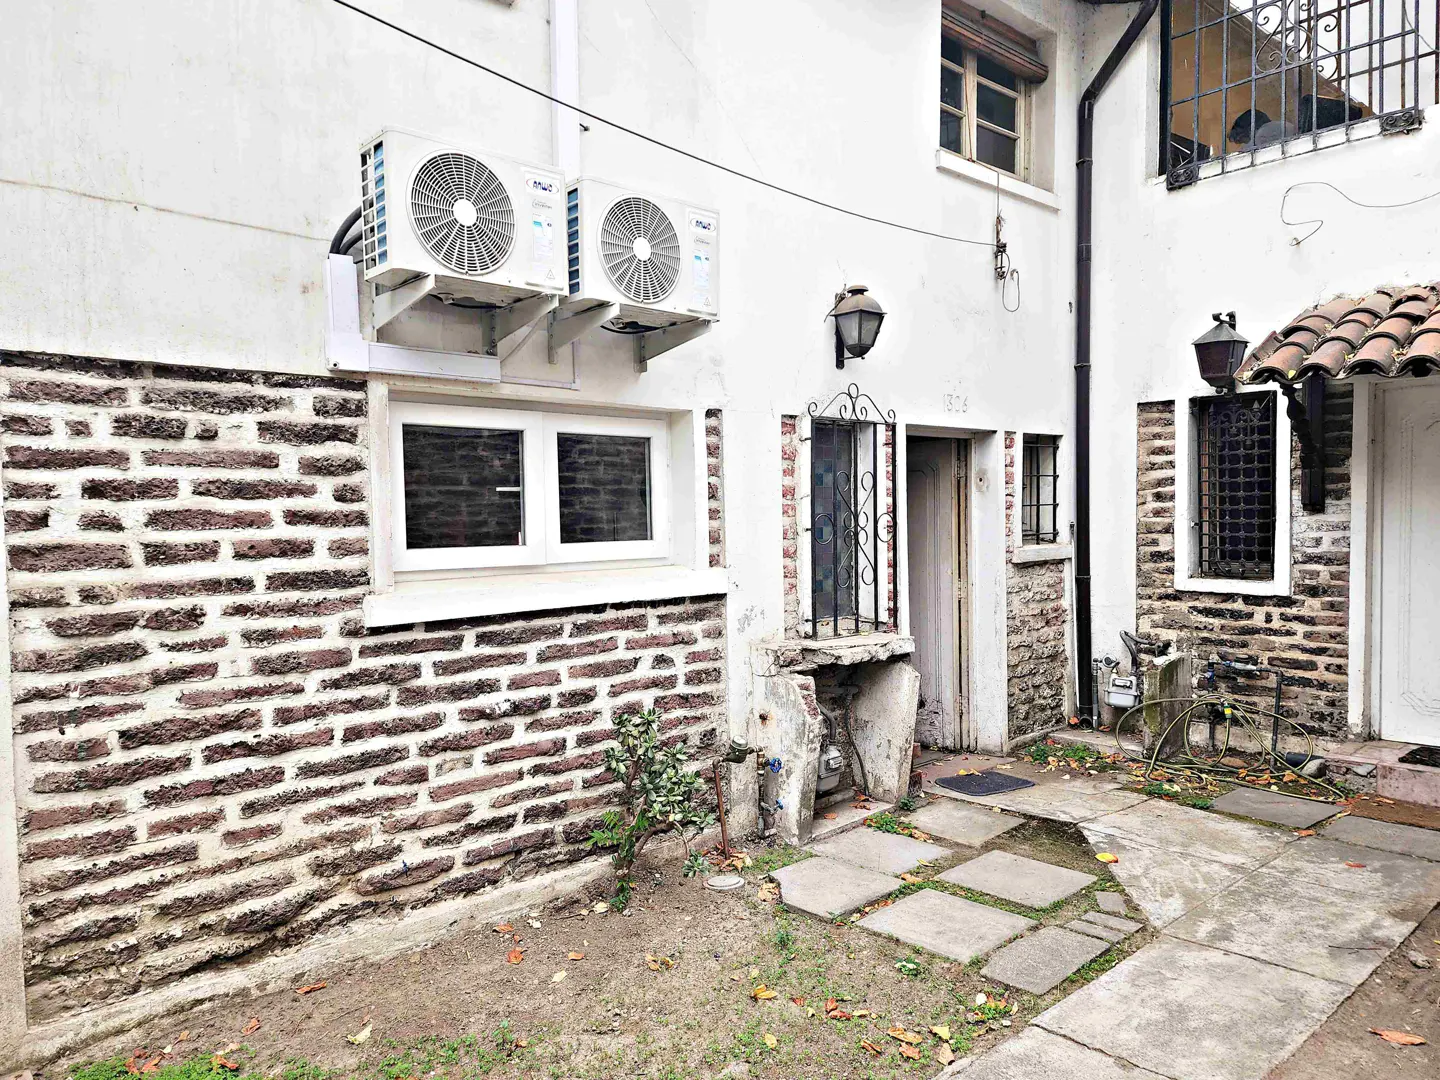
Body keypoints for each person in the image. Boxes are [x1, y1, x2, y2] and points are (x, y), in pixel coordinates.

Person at [1227, 109, 1295, 149]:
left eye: (1243, 139)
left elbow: (1245, 154)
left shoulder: (1263, 132)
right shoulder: (1281, 125)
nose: (1244, 142)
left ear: (1250, 129)